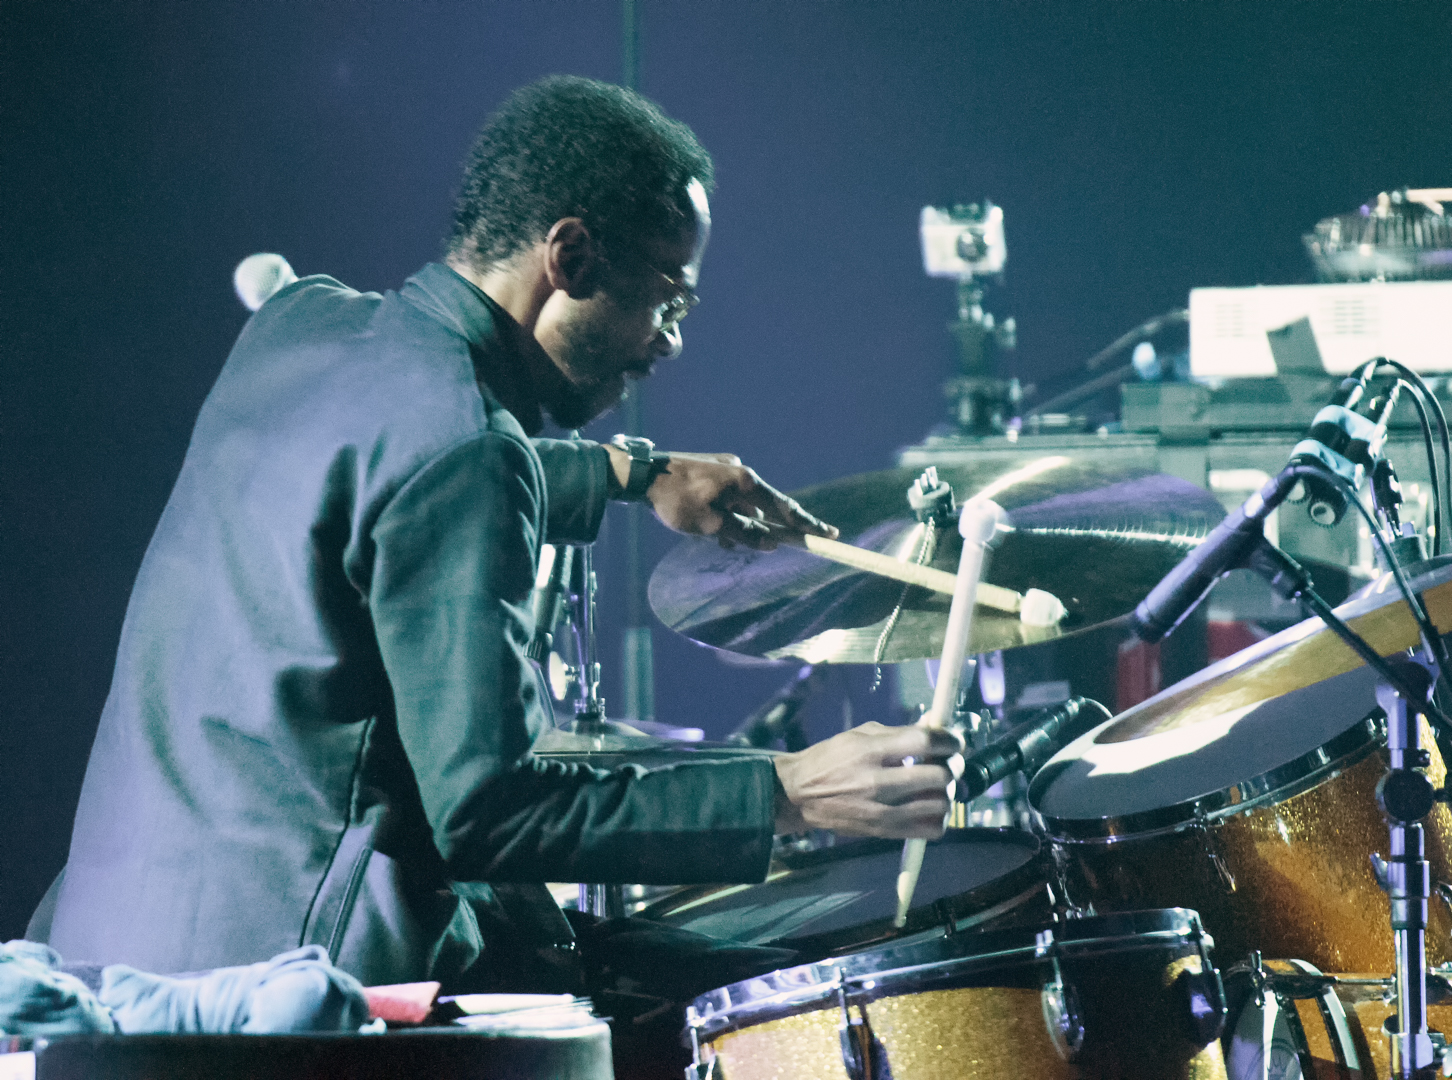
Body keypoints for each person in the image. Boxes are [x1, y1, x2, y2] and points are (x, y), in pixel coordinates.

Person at [33, 76, 959, 998]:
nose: (670, 342)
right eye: (667, 299)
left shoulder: (297, 324)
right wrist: (789, 792)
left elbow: (387, 483)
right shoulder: (470, 453)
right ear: (572, 255)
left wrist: (632, 472)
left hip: (102, 965)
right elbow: (491, 816)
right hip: (285, 995)